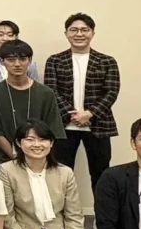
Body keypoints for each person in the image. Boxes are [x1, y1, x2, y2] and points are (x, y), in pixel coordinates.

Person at [44, 13, 121, 194]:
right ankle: (61, 211)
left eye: (84, 30)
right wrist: (73, 114)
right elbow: (51, 90)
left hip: (98, 124)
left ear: (92, 33)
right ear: (66, 34)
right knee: (60, 173)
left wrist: (89, 114)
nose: (79, 34)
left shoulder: (107, 61)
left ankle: (102, 212)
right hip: (64, 125)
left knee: (101, 173)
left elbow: (111, 91)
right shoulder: (55, 60)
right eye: (74, 30)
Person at [0, 40, 66, 173]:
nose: (17, 64)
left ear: (29, 60)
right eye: (11, 60)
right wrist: (15, 156)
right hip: (5, 160)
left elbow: (53, 130)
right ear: (2, 61)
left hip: (40, 160)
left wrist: (35, 156)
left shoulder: (45, 93)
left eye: (22, 59)